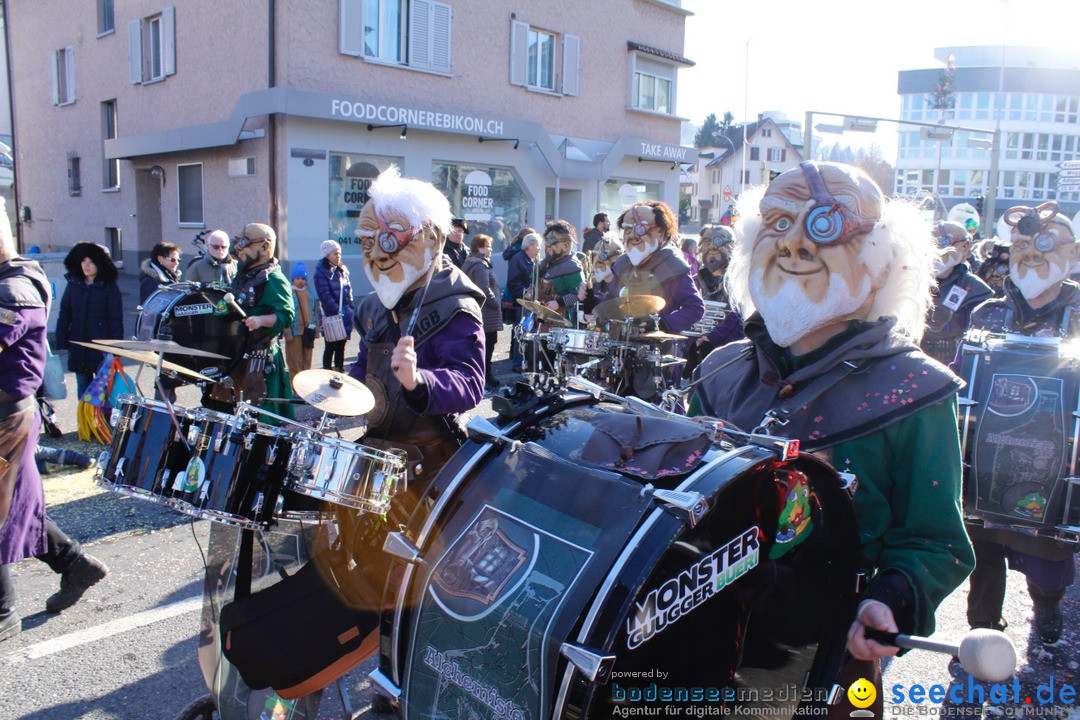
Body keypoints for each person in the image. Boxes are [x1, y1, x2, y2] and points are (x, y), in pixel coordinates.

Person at [691, 162, 973, 715]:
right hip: (705, 638)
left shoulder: (916, 391)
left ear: (879, 257)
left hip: (828, 661)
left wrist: (888, 598)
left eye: (825, 226)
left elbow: (936, 541)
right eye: (777, 222)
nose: (794, 245)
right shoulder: (722, 369)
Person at [964, 202, 1079, 645]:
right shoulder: (987, 314)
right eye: (1021, 246)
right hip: (989, 449)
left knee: (1049, 550)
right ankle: (981, 629)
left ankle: (1047, 607)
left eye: (1044, 245)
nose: (1031, 254)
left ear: (1074, 253)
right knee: (984, 545)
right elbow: (965, 375)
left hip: (1056, 453)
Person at [0, 203, 108, 643]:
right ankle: (74, 563)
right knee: (16, 505)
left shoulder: (14, 288)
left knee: (4, 507)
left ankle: (3, 612)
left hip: (7, 417)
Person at [349, 165, 485, 513]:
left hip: (432, 461)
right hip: (379, 451)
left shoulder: (457, 306)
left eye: (392, 237)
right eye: (367, 239)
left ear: (434, 238)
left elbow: (470, 384)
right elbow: (365, 368)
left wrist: (419, 381)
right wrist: (336, 392)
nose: (377, 253)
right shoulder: (377, 305)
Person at [206, 223, 295, 422]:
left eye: (245, 243)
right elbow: (227, 304)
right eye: (238, 242)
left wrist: (261, 320)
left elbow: (287, 315)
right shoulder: (243, 276)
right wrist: (218, 309)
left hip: (260, 359)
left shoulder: (273, 278)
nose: (238, 248)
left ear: (264, 247)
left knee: (262, 419)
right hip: (237, 356)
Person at [601, 201, 705, 335]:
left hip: (657, 349)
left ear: (661, 232)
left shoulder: (673, 265)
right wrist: (591, 302)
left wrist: (662, 324)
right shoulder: (623, 263)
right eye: (627, 230)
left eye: (640, 228)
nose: (633, 236)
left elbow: (695, 308)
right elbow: (611, 300)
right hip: (621, 344)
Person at [54, 243, 124, 397]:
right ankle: (84, 421)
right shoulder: (74, 284)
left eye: (91, 261)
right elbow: (65, 313)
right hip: (78, 345)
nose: (86, 265)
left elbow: (115, 319)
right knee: (83, 388)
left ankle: (102, 421)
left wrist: (116, 348)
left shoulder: (109, 286)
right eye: (83, 260)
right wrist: (62, 339)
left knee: (103, 392)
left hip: (102, 347)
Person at [920, 220, 993, 366]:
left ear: (965, 248)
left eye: (944, 241)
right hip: (915, 361)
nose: (937, 249)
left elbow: (979, 341)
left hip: (954, 364)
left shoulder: (975, 290)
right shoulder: (914, 282)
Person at [685, 225, 744, 377]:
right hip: (700, 358)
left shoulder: (741, 280)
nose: (712, 246)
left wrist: (713, 338)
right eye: (706, 242)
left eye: (719, 241)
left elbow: (740, 315)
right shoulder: (695, 281)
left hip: (732, 360)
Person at [461, 233, 504, 387]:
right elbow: (484, 289)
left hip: (481, 312)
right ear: (479, 248)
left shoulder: (473, 262)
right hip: (486, 313)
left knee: (482, 346)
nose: (490, 249)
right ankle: (485, 377)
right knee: (487, 346)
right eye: (487, 246)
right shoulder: (479, 265)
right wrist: (496, 303)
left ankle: (482, 376)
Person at [313, 240, 355, 373]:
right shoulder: (320, 272)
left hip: (344, 313)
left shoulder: (341, 269)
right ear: (327, 255)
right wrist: (337, 309)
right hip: (332, 315)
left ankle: (339, 370)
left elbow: (349, 290)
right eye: (335, 254)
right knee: (330, 345)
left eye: (340, 253)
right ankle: (327, 371)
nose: (338, 256)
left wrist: (350, 308)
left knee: (341, 345)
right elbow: (324, 295)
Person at [537, 220, 585, 323]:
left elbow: (578, 294)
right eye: (546, 241)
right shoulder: (544, 265)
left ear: (566, 245)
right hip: (541, 320)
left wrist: (559, 303)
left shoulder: (572, 267)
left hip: (563, 323)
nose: (547, 246)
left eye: (552, 241)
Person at [506, 232, 541, 373]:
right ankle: (518, 364)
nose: (539, 248)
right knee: (522, 331)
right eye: (538, 245)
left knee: (528, 331)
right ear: (531, 245)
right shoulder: (518, 259)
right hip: (522, 302)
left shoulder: (532, 259)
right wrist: (525, 292)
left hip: (530, 302)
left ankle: (526, 361)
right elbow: (512, 282)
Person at [283, 261, 319, 381]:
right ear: (292, 279)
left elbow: (315, 311)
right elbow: (285, 313)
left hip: (308, 331)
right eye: (297, 278)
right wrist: (287, 332)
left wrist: (316, 330)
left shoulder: (310, 292)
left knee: (307, 359)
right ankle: (295, 387)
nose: (300, 281)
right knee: (295, 360)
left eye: (303, 278)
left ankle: (306, 384)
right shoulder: (289, 293)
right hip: (295, 332)